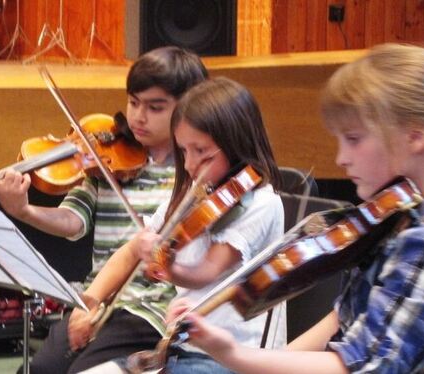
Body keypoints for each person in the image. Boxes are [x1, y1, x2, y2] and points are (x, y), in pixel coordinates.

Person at [164, 43, 424, 373]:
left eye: (354, 139)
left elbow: (363, 366)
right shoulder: (400, 215)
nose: (341, 158)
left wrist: (233, 354)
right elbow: (341, 321)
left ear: (415, 136)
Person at [0, 46, 208, 373]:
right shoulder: (109, 162)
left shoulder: (190, 175)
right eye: (133, 102)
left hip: (150, 311)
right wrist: (23, 211)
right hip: (97, 298)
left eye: (155, 107)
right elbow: (72, 221)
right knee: (41, 369)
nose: (138, 117)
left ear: (188, 107)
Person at [79, 77, 287, 374]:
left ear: (236, 143)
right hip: (181, 346)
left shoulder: (262, 204)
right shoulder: (195, 195)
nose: (190, 165)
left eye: (202, 152)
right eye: (184, 151)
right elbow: (140, 245)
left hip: (232, 356)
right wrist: (147, 250)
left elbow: (205, 273)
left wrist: (168, 266)